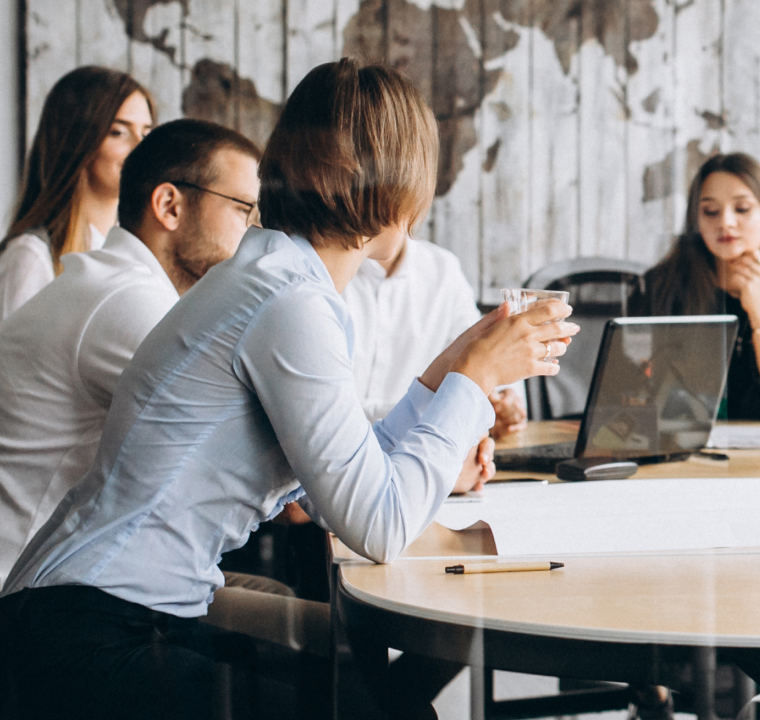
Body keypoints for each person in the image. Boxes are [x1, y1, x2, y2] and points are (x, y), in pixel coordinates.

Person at [0, 59, 577, 720]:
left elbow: (345, 483)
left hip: (96, 612)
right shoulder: (289, 301)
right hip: (88, 631)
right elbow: (378, 524)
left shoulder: (280, 278)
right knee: (380, 707)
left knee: (375, 698)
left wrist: (452, 365)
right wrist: (475, 380)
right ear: (401, 190)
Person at [0, 119, 264, 585]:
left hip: (70, 573)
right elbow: (252, 459)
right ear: (169, 205)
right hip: (30, 595)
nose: (256, 233)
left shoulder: (113, 283)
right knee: (293, 619)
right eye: (245, 210)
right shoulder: (130, 303)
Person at [632, 152, 760, 421]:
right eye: (710, 211)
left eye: (742, 209)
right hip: (679, 445)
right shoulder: (661, 284)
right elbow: (635, 391)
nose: (725, 222)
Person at [0, 67, 155, 321]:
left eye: (146, 133)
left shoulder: (139, 252)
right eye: (119, 132)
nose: (142, 147)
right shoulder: (31, 258)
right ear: (77, 141)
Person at [345, 234, 528, 438]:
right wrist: (459, 412)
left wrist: (502, 401)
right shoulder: (325, 268)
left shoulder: (442, 268)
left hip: (423, 448)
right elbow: (331, 415)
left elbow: (480, 348)